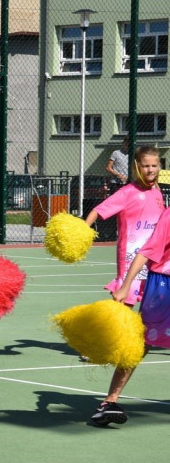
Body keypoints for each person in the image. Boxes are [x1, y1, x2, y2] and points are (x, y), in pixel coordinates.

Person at [85, 145, 163, 425]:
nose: (150, 171)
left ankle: (109, 402)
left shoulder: (158, 195)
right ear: (136, 167)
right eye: (145, 166)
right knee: (130, 339)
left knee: (140, 342)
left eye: (155, 166)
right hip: (132, 273)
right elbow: (98, 210)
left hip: (156, 275)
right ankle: (109, 400)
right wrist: (83, 230)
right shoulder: (128, 193)